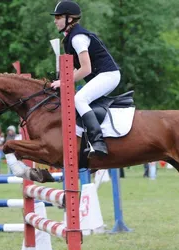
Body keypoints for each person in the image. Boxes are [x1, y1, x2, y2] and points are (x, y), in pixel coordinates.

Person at [50, 0, 121, 157]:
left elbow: (86, 69)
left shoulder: (78, 38)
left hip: (108, 75)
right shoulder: (70, 38)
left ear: (70, 18)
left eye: (58, 17)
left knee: (79, 99)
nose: (55, 20)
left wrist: (63, 82)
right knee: (80, 100)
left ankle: (98, 141)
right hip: (104, 75)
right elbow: (76, 68)